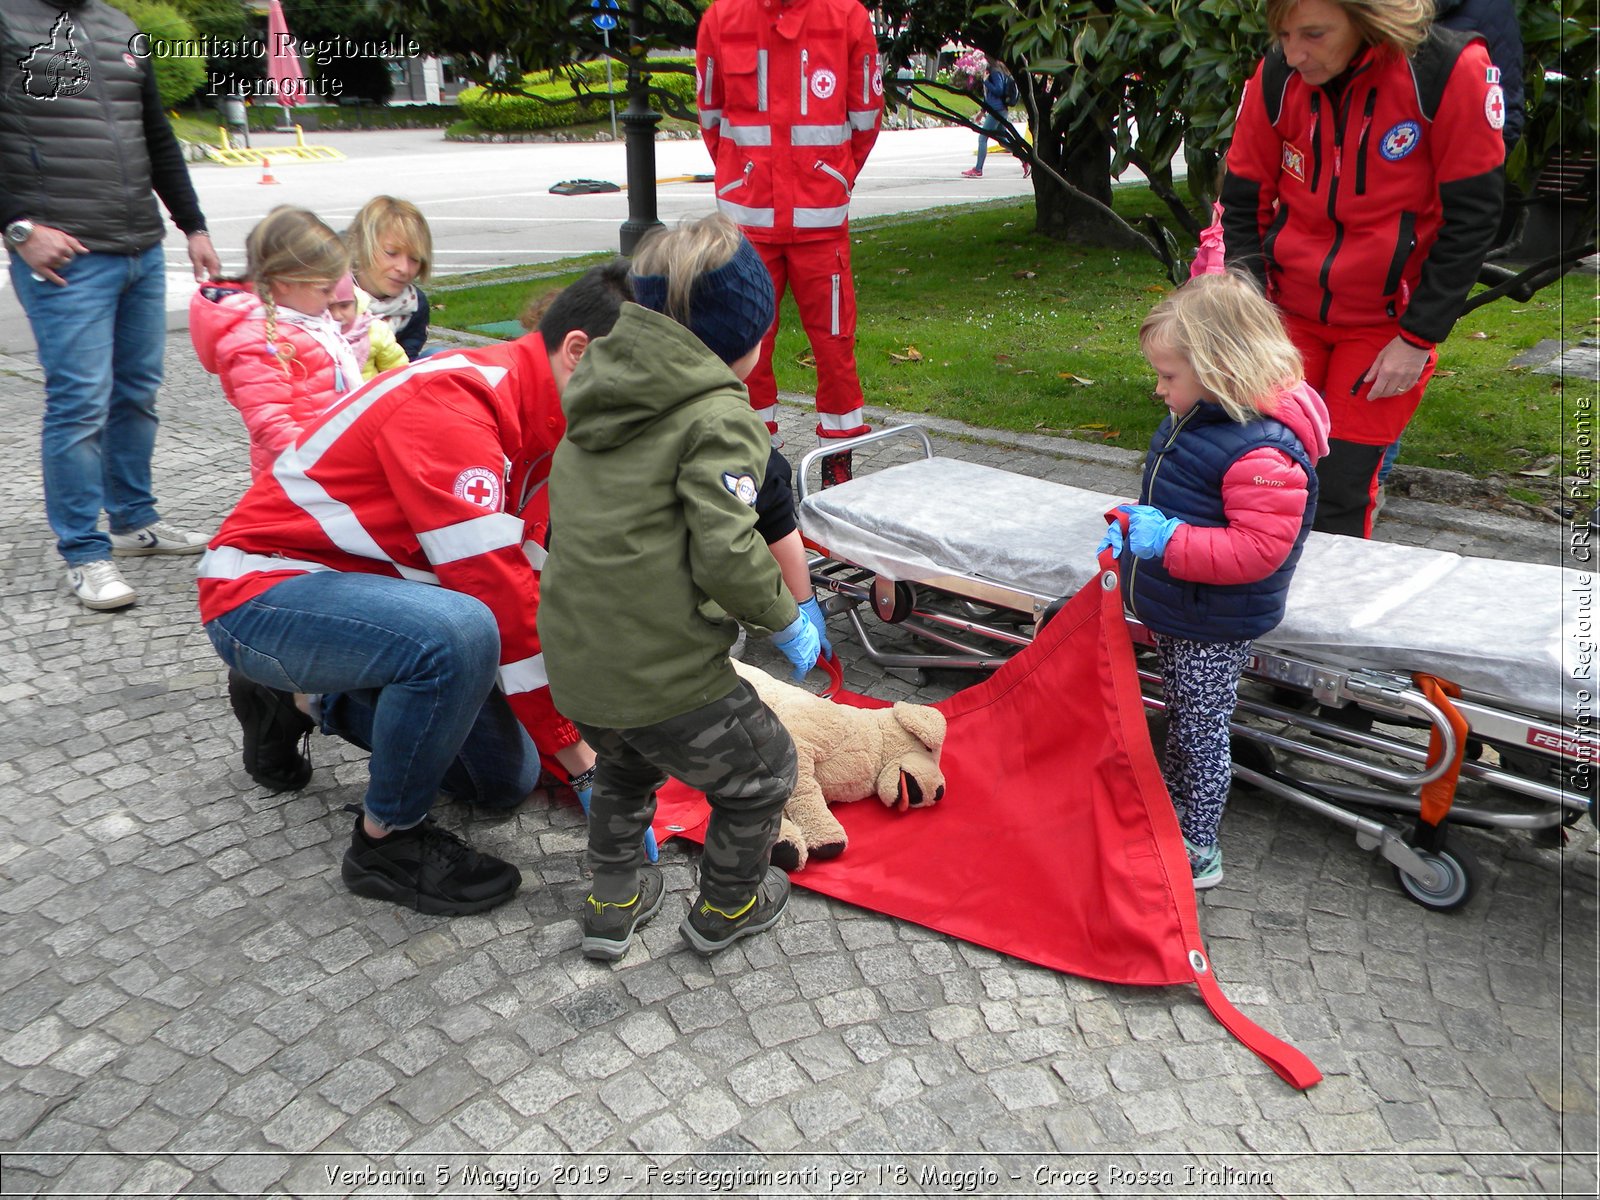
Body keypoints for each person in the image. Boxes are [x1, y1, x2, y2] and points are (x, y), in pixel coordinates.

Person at [196, 261, 637, 917]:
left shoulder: (550, 421)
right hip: (266, 592)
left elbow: (547, 583)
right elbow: (498, 599)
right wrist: (583, 762)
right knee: (460, 635)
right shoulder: (456, 403)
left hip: (373, 603)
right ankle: (385, 844)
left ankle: (303, 702)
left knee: (502, 779)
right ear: (580, 353)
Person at [538, 213, 823, 962]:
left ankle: (613, 900)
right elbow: (727, 549)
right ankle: (728, 907)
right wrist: (786, 617)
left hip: (577, 665)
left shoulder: (595, 395)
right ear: (748, 338)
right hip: (664, 672)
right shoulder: (720, 416)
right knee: (766, 776)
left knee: (627, 768)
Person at [1221, 0, 1504, 538]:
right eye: (1282, 34)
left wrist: (1417, 338)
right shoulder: (1279, 73)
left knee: (1340, 489)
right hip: (1286, 315)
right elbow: (1242, 199)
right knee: (1260, 472)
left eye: (1313, 34)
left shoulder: (1446, 70)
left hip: (1384, 329)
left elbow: (1474, 218)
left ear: (1364, 17)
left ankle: (1327, 617)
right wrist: (1249, 313)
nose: (1294, 52)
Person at [1098, 273, 1330, 888]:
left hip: (1213, 617)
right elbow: (1185, 496)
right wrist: (1136, 528)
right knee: (1184, 710)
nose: (1158, 388)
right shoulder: (1204, 417)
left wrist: (1166, 540)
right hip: (1183, 603)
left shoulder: (1261, 454)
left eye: (1168, 376)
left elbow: (1257, 550)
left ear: (1221, 368)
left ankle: (1198, 844)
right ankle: (1173, 799)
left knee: (1201, 726)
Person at [1, 0, 222, 611]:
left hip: (140, 249)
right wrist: (17, 228)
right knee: (78, 406)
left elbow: (156, 134)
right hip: (64, 257)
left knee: (135, 393)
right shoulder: (7, 20)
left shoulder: (122, 27)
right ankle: (83, 552)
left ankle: (131, 522)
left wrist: (193, 224)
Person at [696, 0, 884, 486]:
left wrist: (832, 178)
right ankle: (759, 471)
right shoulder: (722, 17)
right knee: (746, 346)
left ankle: (838, 476)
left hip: (820, 221)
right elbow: (712, 118)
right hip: (749, 223)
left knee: (836, 348)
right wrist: (745, 179)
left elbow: (866, 119)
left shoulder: (847, 17)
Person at [189, 208, 362, 480]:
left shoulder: (305, 323)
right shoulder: (259, 342)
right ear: (284, 283)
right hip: (297, 475)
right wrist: (321, 458)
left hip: (325, 462)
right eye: (325, 289)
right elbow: (269, 423)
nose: (331, 299)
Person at [346, 196, 432, 360]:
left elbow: (407, 359)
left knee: (439, 356)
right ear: (361, 245)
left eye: (414, 259)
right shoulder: (333, 293)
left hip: (389, 378)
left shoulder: (413, 304)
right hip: (338, 379)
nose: (403, 268)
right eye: (391, 253)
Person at [328, 272, 408, 383]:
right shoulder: (314, 333)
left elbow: (396, 368)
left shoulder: (374, 331)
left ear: (356, 303)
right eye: (329, 308)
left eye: (344, 306)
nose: (337, 316)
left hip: (369, 396)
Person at [961, 58, 1026, 179]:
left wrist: (986, 82)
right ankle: (1025, 159)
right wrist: (982, 111)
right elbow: (988, 96)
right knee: (1002, 139)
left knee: (982, 138)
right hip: (998, 109)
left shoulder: (995, 71)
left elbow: (998, 90)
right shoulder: (998, 69)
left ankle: (978, 169)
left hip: (997, 110)